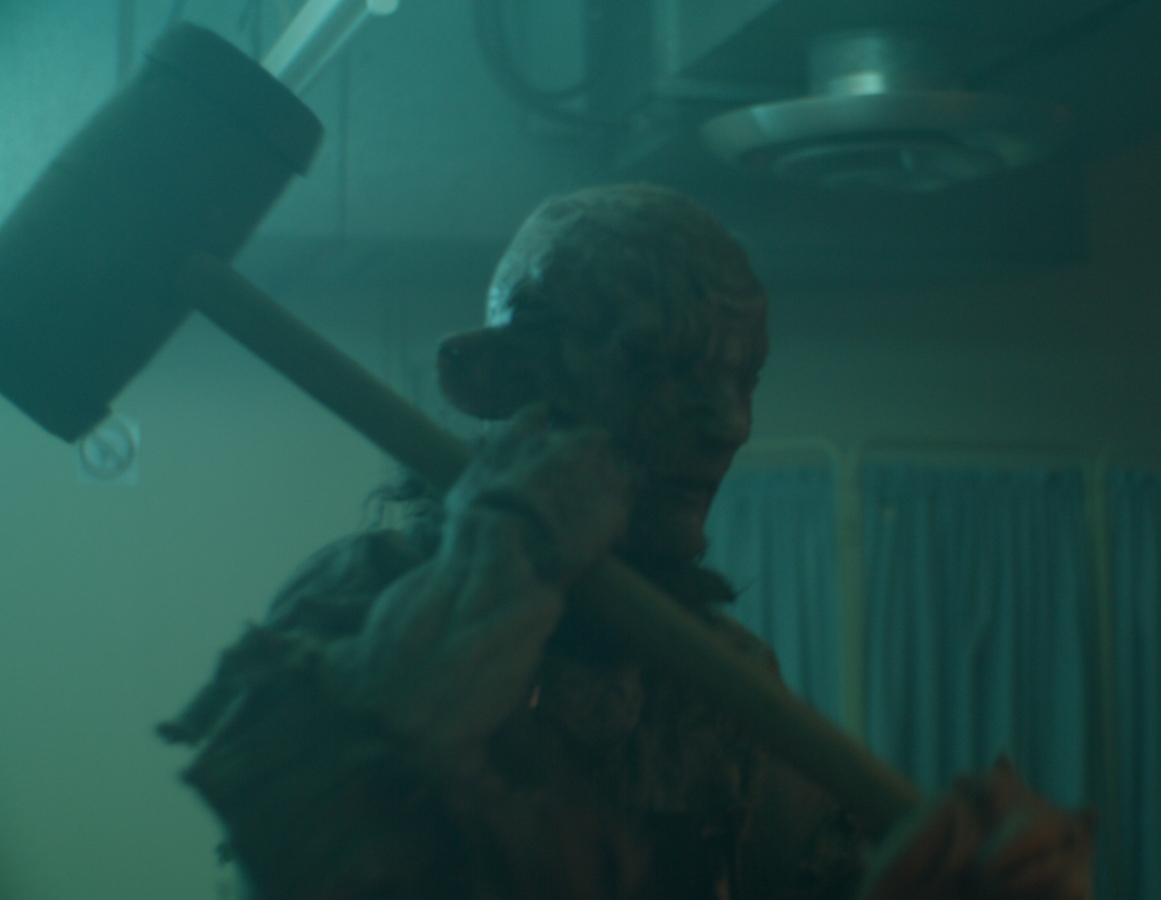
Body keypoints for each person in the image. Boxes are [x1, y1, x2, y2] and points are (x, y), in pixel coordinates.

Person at [162, 184, 1094, 900]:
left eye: (745, 379)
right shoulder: (363, 600)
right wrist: (504, 566)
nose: (728, 423)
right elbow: (303, 852)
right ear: (494, 379)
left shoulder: (719, 674)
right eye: (657, 365)